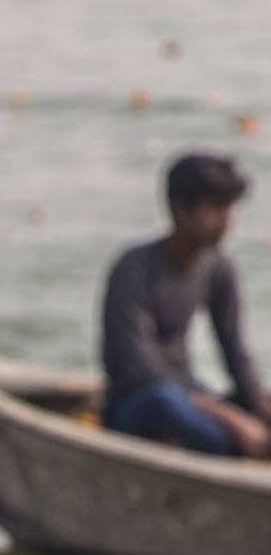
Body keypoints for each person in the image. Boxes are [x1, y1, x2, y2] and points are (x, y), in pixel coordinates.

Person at [99, 152, 271, 459]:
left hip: (190, 394)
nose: (226, 220)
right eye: (216, 208)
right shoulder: (134, 269)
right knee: (167, 402)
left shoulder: (218, 268)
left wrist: (259, 405)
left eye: (228, 208)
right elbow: (140, 371)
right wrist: (231, 418)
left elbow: (236, 354)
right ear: (181, 209)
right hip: (138, 403)